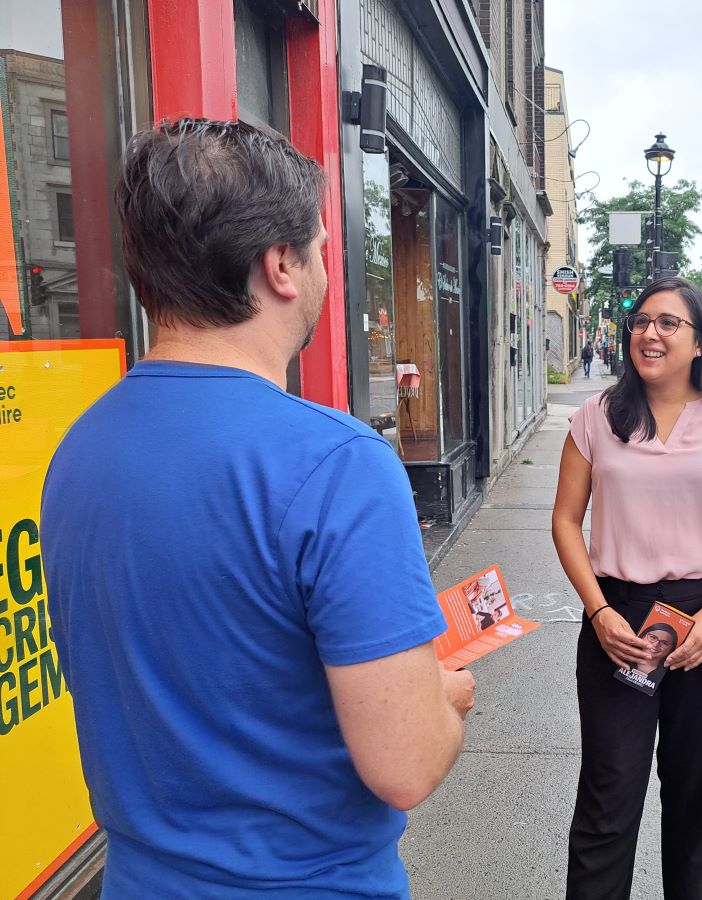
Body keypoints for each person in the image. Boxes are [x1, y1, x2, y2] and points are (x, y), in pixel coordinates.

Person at [41, 119, 475, 897]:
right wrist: (442, 701)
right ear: (280, 265)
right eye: (319, 250)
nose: (323, 272)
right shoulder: (340, 465)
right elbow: (404, 766)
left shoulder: (79, 450)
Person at [552, 275, 702, 900]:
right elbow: (566, 521)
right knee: (607, 798)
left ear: (700, 341)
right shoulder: (597, 417)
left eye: (668, 323)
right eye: (642, 321)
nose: (650, 333)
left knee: (691, 803)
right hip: (618, 620)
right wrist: (596, 611)